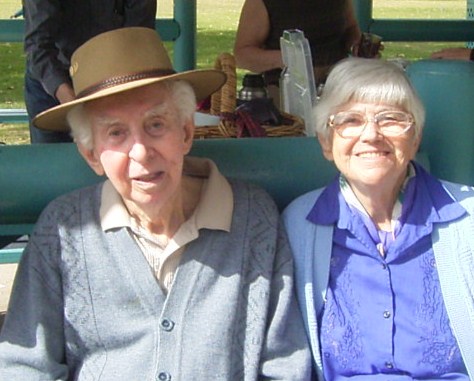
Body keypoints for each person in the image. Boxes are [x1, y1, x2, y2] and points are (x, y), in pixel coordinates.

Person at [0, 27, 311, 380]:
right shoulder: (62, 230)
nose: (141, 152)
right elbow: (25, 368)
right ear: (91, 155)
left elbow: (285, 364)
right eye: (116, 133)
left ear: (186, 133)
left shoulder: (254, 218)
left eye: (156, 124)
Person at [283, 57, 474, 380]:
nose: (371, 134)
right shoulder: (300, 223)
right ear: (326, 143)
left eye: (391, 119)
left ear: (414, 139)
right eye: (350, 120)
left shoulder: (466, 220)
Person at [24, 0, 157, 143]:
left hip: (115, 82)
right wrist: (72, 104)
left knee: (120, 156)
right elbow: (37, 47)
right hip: (53, 87)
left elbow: (138, 38)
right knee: (52, 162)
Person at [233, 0, 361, 103]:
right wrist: (290, 58)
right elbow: (242, 54)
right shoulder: (263, 3)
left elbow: (350, 27)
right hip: (287, 95)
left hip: (340, 88)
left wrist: (358, 45)